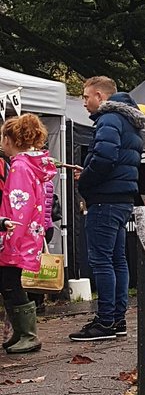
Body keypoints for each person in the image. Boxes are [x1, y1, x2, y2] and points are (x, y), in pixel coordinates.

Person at [71, 77, 145, 342]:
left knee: (102, 261)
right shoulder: (128, 120)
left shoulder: (109, 119)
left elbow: (104, 157)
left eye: (86, 96)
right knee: (117, 260)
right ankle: (116, 318)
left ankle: (105, 321)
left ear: (100, 96)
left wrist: (86, 179)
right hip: (122, 198)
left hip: (105, 199)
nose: (84, 102)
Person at [0, 114, 55, 353]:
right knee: (9, 281)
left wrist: (8, 231)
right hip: (27, 232)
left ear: (10, 139)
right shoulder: (33, 165)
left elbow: (19, 203)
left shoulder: (19, 166)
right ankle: (21, 332)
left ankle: (28, 334)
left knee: (10, 282)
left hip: (15, 234)